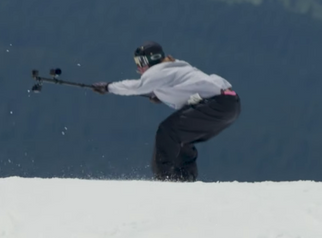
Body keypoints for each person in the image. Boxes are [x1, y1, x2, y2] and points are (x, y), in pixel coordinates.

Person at [91, 41, 241, 182]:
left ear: (146, 61)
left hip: (218, 105)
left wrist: (109, 87)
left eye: (139, 63)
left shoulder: (157, 71)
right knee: (181, 137)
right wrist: (160, 95)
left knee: (167, 131)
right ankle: (184, 178)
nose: (138, 69)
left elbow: (137, 87)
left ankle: (165, 178)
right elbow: (186, 91)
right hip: (230, 104)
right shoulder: (174, 66)